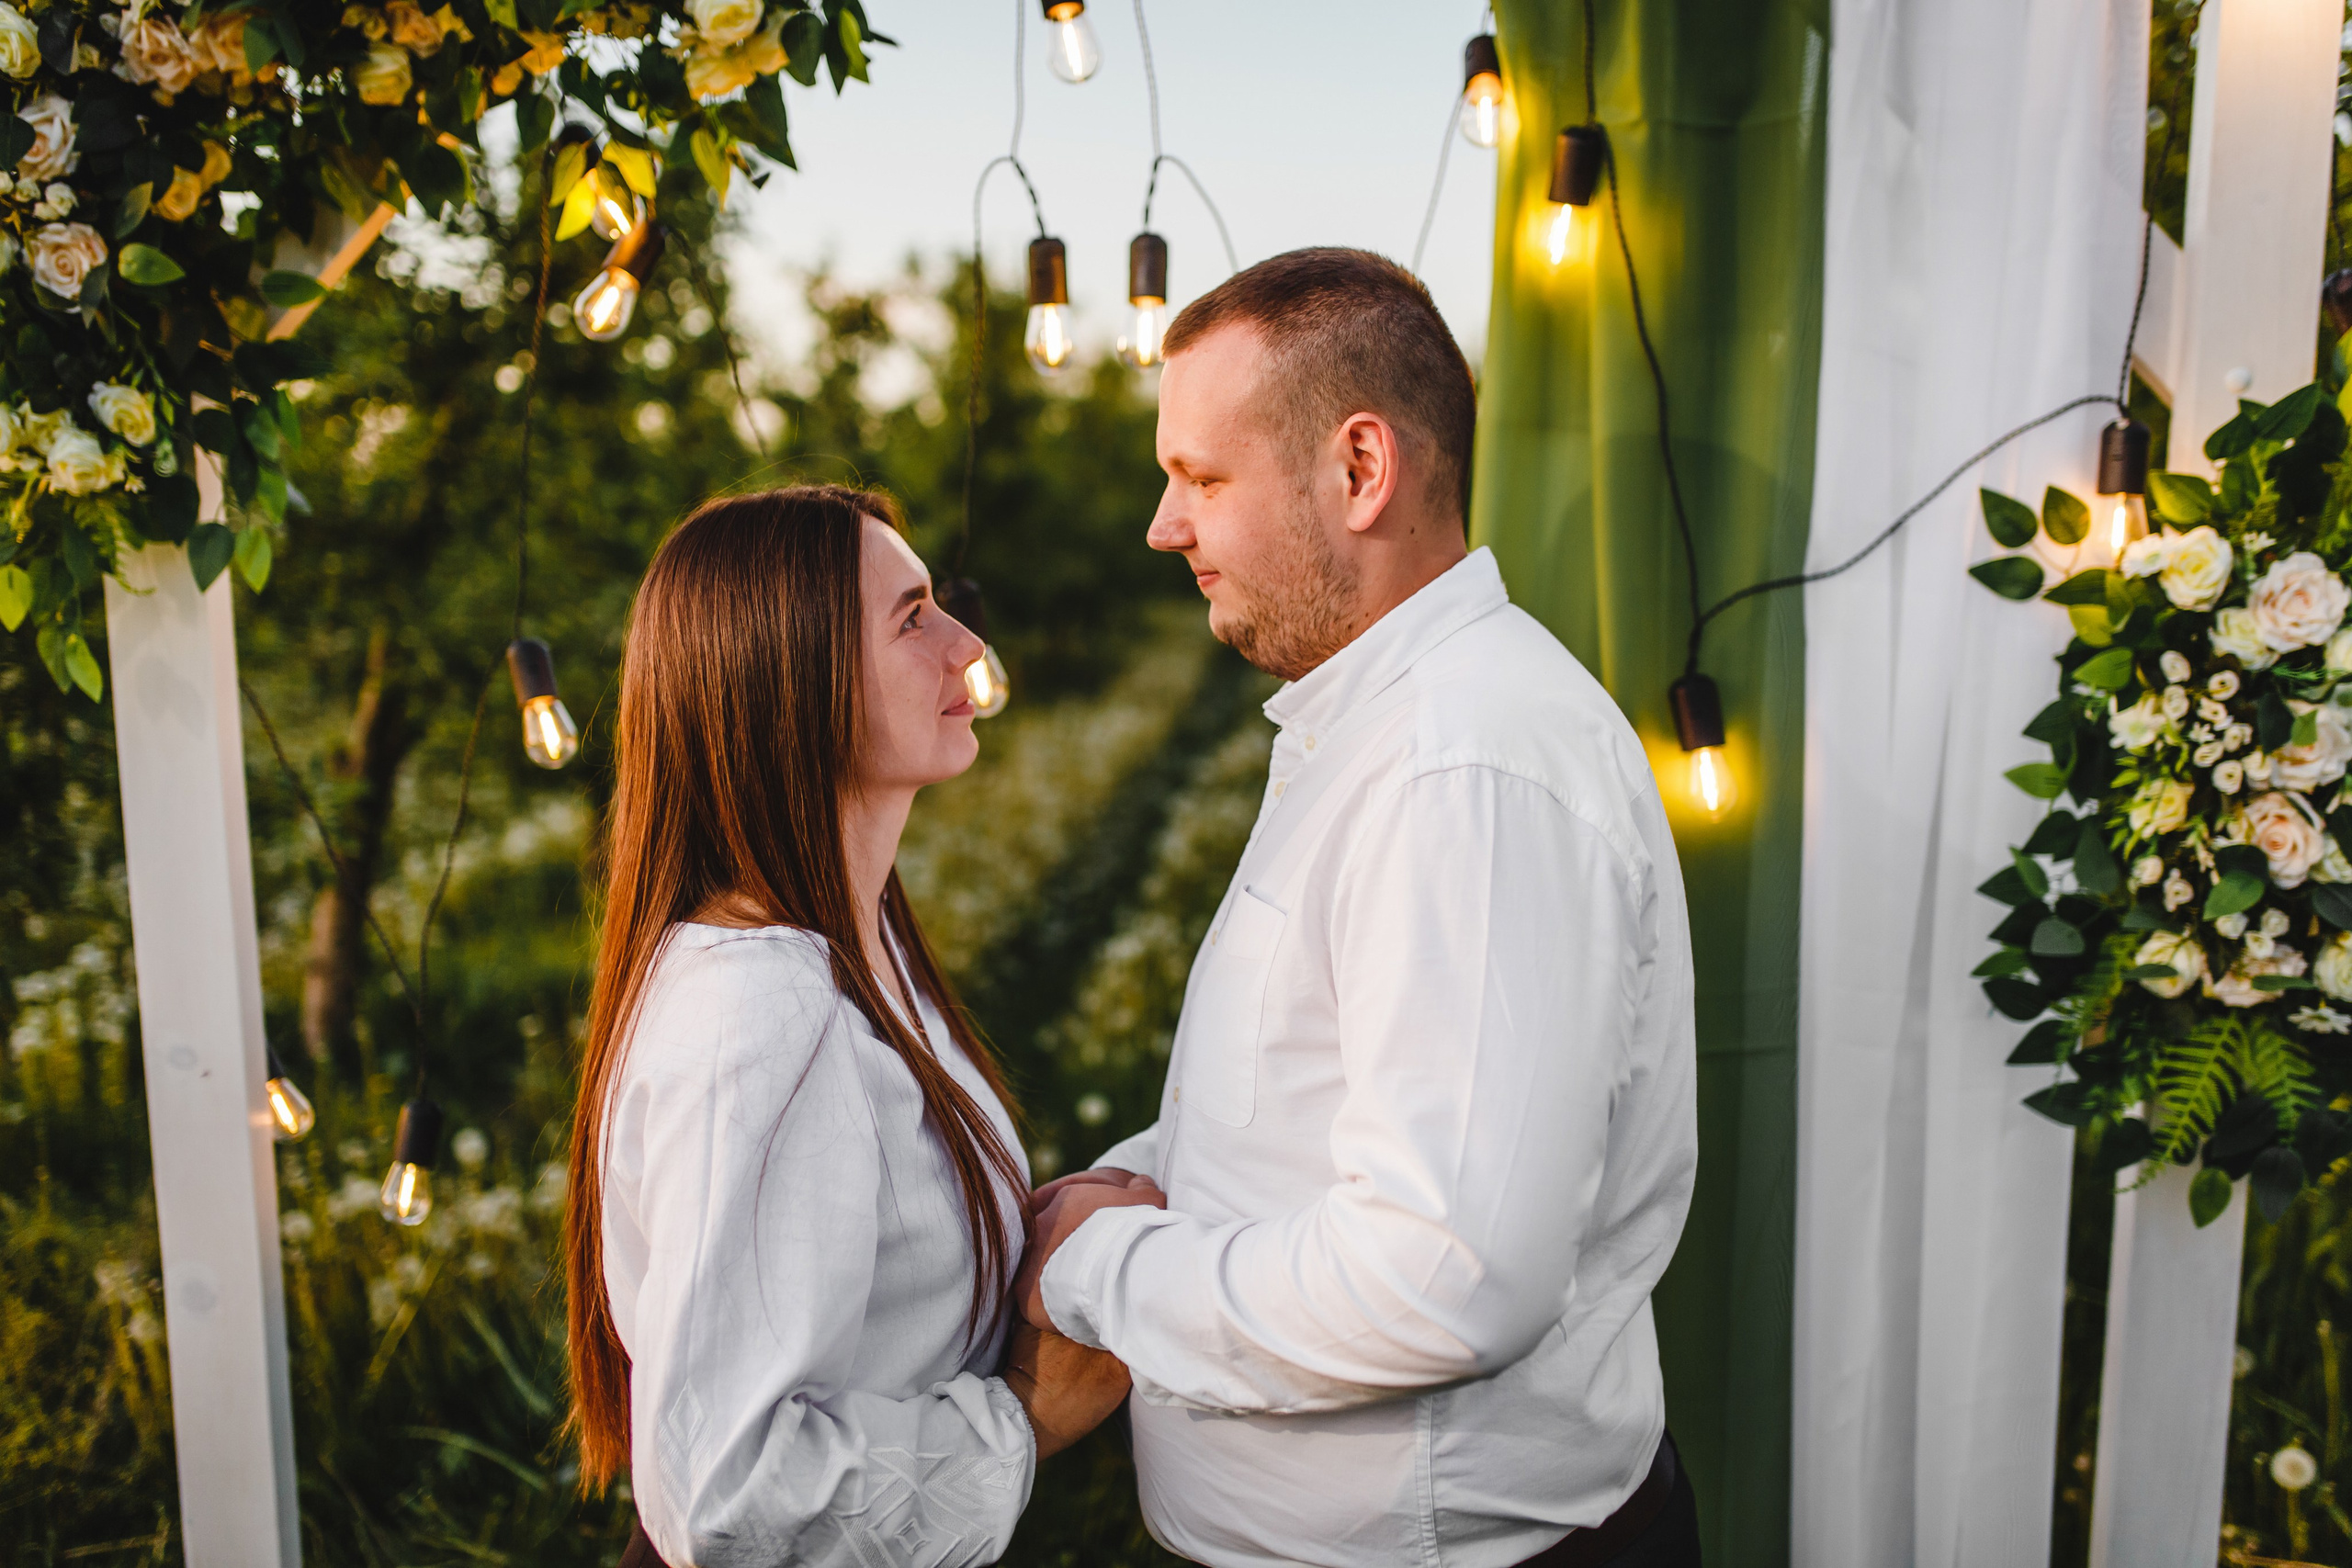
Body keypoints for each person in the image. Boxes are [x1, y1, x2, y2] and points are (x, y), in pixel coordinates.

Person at [1014, 250, 1703, 1568]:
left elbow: (1444, 1275)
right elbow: (1336, 1078)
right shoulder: (1379, 720)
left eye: (1201, 478)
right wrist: (1153, 1171)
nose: (1165, 527)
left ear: (1360, 469)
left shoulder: (1463, 765)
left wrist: (1095, 1271)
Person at [564, 486, 1132, 1568]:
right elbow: (728, 1488)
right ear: (791, 681)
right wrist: (1023, 1415)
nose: (968, 644)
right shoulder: (760, 1013)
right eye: (913, 617)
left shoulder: (852, 948)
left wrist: (1035, 1228)